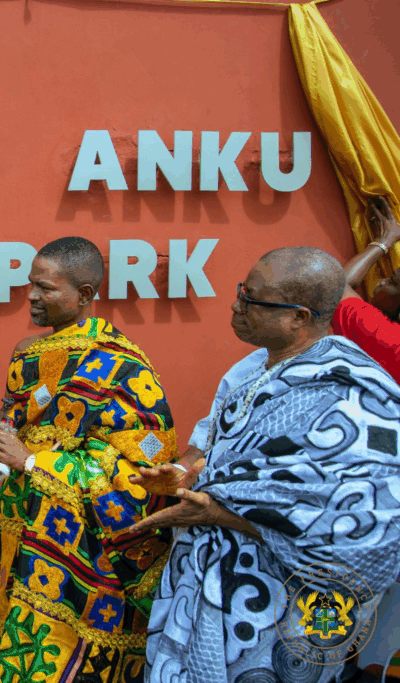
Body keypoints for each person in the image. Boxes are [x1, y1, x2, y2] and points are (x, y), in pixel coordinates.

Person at [130, 247, 400, 683]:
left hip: (277, 613)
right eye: (241, 291)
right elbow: (216, 459)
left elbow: (365, 531)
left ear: (298, 316)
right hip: (203, 588)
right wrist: (182, 478)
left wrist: (218, 513)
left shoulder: (353, 395)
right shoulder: (250, 371)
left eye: (252, 299)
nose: (236, 305)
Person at [0, 237, 180, 683]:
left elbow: (143, 467)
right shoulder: (28, 353)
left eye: (47, 289)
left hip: (85, 545)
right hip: (23, 528)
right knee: (19, 655)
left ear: (86, 295)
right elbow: (19, 416)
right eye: (31, 285)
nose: (32, 297)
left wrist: (33, 463)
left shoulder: (122, 366)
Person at [332, 196, 400, 382]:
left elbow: (336, 286)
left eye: (391, 282)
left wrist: (385, 240)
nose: (381, 281)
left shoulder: (389, 341)